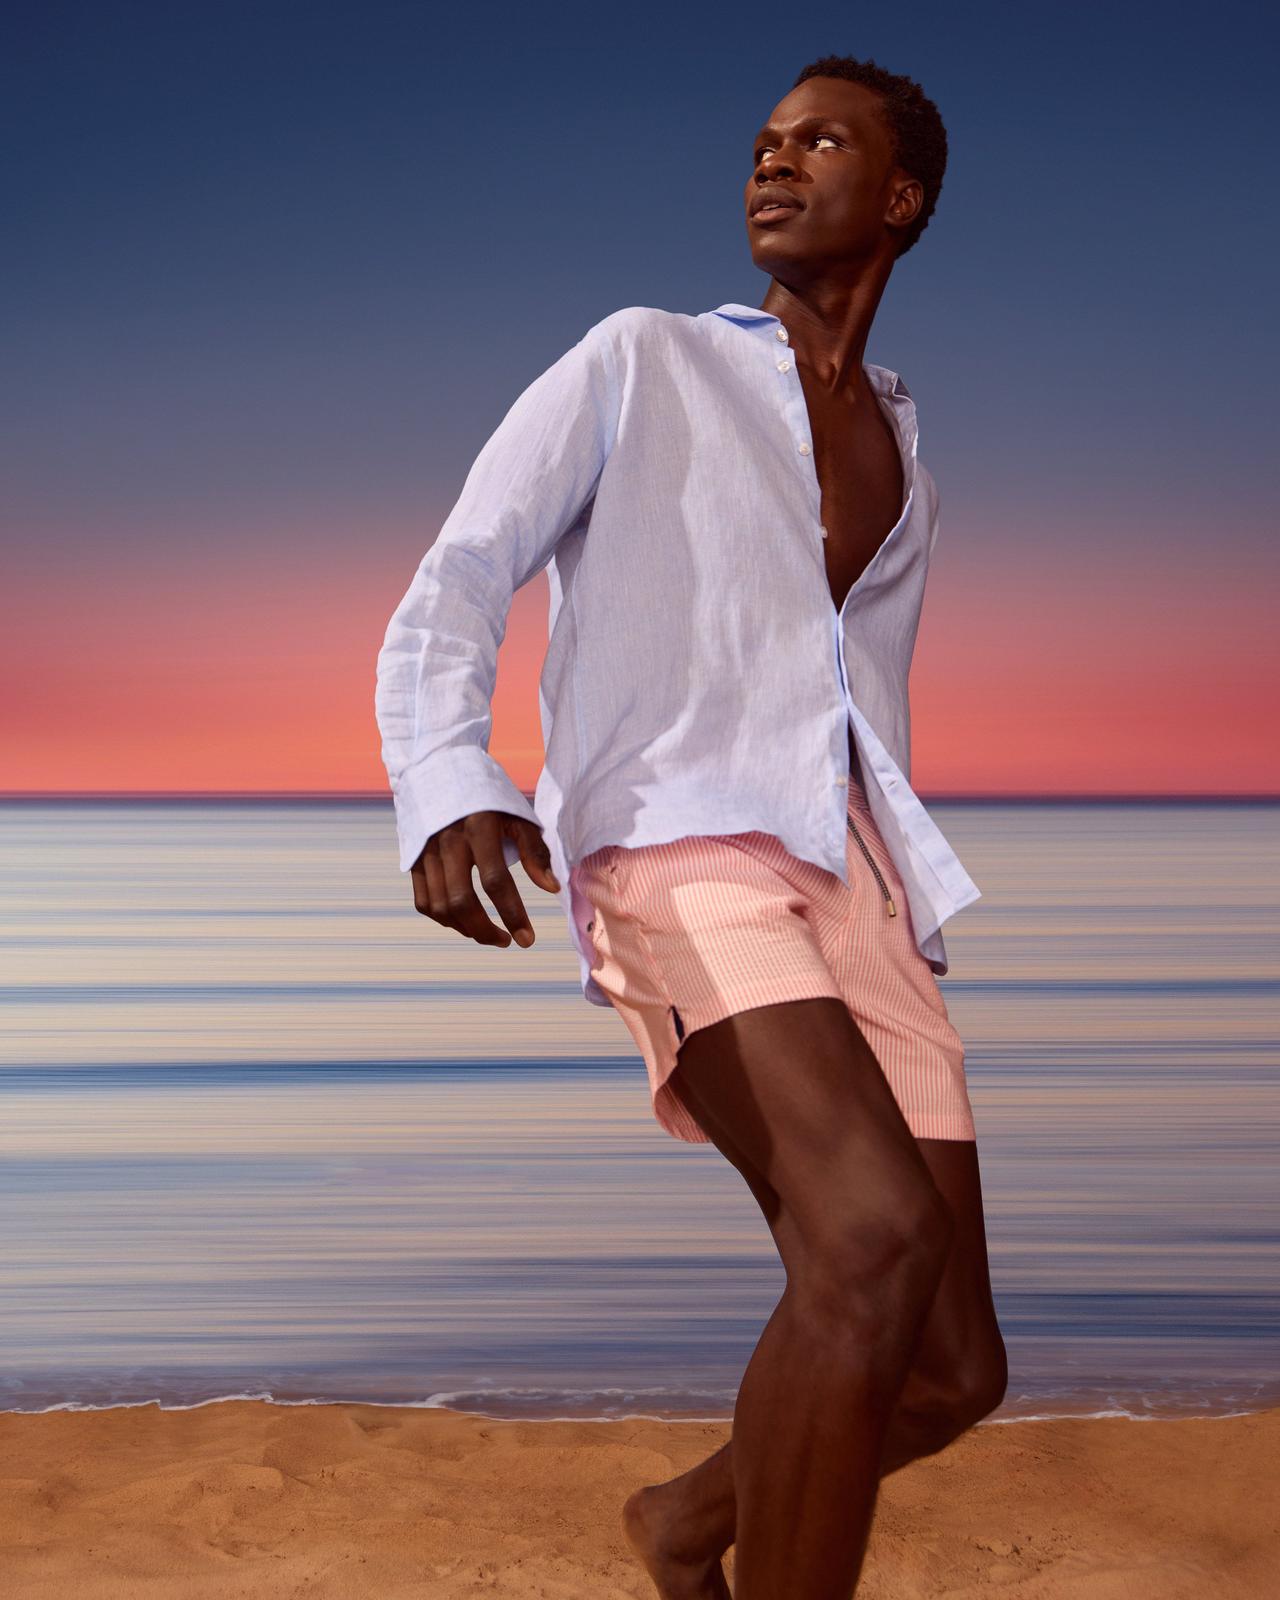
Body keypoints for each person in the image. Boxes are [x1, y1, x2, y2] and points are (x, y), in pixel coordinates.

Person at [375, 51, 1008, 1600]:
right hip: (680, 843)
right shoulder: (642, 357)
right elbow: (461, 572)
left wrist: (889, 892)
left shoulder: (909, 444)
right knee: (862, 1244)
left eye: (821, 143)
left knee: (949, 1369)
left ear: (901, 195)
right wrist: (451, 780)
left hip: (856, 873)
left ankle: (682, 1522)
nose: (772, 166)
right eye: (763, 144)